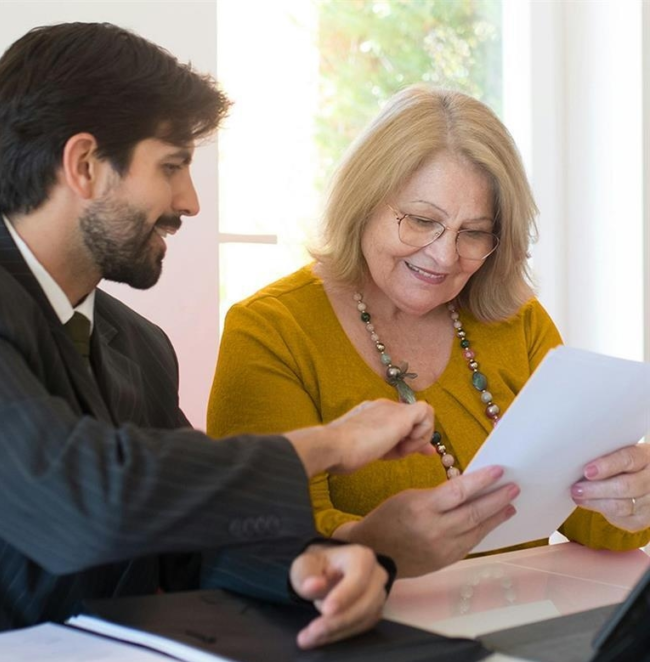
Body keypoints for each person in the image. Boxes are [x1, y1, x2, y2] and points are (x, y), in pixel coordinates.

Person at [0, 22, 441, 646]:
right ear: (84, 165)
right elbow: (80, 497)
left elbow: (188, 531)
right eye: (171, 166)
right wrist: (328, 443)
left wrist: (308, 567)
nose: (189, 202)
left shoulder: (136, 344)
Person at [208, 85, 650, 578]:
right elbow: (258, 536)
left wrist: (631, 491)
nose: (443, 256)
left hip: (513, 624)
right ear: (363, 203)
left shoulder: (517, 321)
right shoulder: (271, 329)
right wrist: (378, 544)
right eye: (421, 220)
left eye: (474, 232)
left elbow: (599, 524)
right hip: (356, 634)